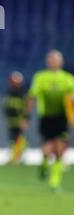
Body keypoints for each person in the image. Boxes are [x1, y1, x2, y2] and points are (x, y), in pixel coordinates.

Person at [23, 50, 74, 190]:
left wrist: (71, 118)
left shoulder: (68, 79)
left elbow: (71, 100)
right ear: (47, 62)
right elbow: (31, 97)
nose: (53, 61)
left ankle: (54, 182)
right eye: (50, 59)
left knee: (59, 149)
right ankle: (44, 164)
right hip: (46, 118)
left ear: (61, 62)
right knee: (47, 150)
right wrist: (26, 116)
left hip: (61, 118)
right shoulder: (40, 77)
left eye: (55, 59)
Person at [3, 71, 27, 164]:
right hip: (11, 121)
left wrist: (25, 119)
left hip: (19, 121)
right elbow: (6, 106)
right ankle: (14, 156)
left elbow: (26, 107)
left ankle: (18, 157)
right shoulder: (9, 92)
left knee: (19, 139)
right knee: (12, 140)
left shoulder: (23, 93)